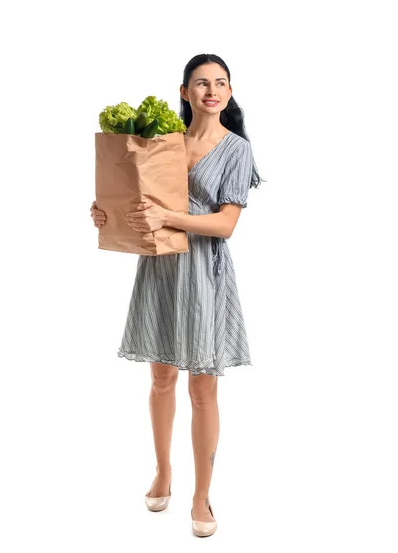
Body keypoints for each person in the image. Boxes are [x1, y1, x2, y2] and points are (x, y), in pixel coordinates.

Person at [90, 53, 265, 537]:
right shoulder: (160, 143)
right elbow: (136, 202)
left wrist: (168, 218)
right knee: (162, 379)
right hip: (160, 269)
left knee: (202, 387)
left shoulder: (236, 150)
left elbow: (225, 225)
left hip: (205, 275)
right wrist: (107, 212)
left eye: (221, 83)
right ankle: (163, 471)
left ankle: (202, 496)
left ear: (229, 93)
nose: (212, 90)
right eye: (202, 82)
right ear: (185, 91)